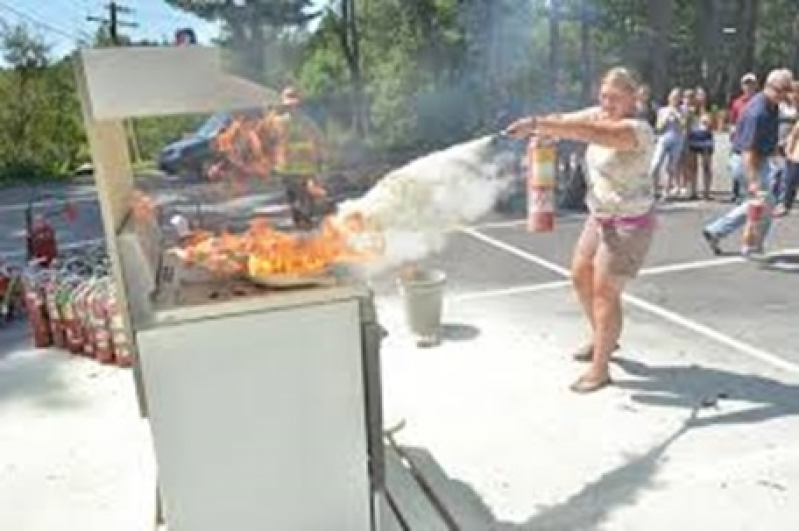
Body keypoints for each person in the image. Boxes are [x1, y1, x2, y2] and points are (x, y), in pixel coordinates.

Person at [505, 67, 656, 394]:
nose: (607, 103)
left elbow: (587, 131)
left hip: (628, 223)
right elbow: (567, 119)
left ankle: (599, 369)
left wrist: (538, 125)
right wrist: (542, 128)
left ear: (634, 97)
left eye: (615, 98)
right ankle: (604, 337)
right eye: (603, 95)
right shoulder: (599, 114)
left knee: (605, 293)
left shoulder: (636, 130)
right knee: (579, 276)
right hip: (600, 215)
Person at [702, 69, 794, 257]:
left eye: (788, 89)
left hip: (761, 159)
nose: (786, 94)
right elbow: (748, 150)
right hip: (748, 161)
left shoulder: (772, 106)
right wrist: (753, 180)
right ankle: (748, 244)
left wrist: (778, 153)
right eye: (783, 90)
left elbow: (766, 138)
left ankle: (719, 232)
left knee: (761, 202)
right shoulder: (757, 112)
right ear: (771, 87)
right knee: (762, 201)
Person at [266, 86, 326, 230]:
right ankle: (302, 222)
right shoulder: (287, 122)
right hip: (290, 168)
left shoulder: (282, 122)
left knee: (302, 197)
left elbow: (318, 141)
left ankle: (304, 221)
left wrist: (319, 160)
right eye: (290, 106)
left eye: (294, 105)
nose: (292, 108)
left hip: (298, 168)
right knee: (297, 198)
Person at [650, 87, 686, 199]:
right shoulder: (663, 110)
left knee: (671, 167)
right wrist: (665, 120)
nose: (675, 99)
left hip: (677, 139)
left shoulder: (683, 110)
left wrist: (677, 115)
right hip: (664, 138)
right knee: (655, 164)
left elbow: (684, 125)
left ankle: (667, 191)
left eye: (677, 97)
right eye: (673, 96)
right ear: (669, 97)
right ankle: (654, 189)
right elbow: (658, 127)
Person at [729, 73, 759, 202]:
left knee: (753, 166)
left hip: (755, 139)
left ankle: (752, 191)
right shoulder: (737, 103)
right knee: (737, 167)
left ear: (756, 86)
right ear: (742, 86)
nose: (749, 87)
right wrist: (732, 131)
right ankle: (736, 192)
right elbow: (733, 119)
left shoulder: (760, 101)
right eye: (746, 84)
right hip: (740, 138)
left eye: (751, 84)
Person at [686, 87, 715, 200]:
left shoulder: (710, 109)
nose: (701, 97)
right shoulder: (691, 110)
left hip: (706, 139)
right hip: (693, 138)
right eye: (698, 95)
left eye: (703, 95)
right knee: (692, 167)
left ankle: (706, 192)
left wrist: (706, 114)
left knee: (706, 166)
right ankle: (693, 191)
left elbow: (713, 125)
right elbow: (686, 124)